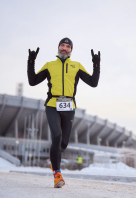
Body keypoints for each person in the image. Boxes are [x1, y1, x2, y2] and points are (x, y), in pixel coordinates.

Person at [27, 37, 100, 188]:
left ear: (71, 50)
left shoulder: (76, 66)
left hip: (69, 106)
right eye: (62, 45)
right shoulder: (49, 65)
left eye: (67, 46)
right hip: (52, 104)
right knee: (57, 135)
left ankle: (54, 161)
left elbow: (93, 83)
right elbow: (33, 81)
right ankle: (57, 175)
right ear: (58, 47)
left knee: (63, 143)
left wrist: (96, 64)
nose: (64, 48)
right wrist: (31, 62)